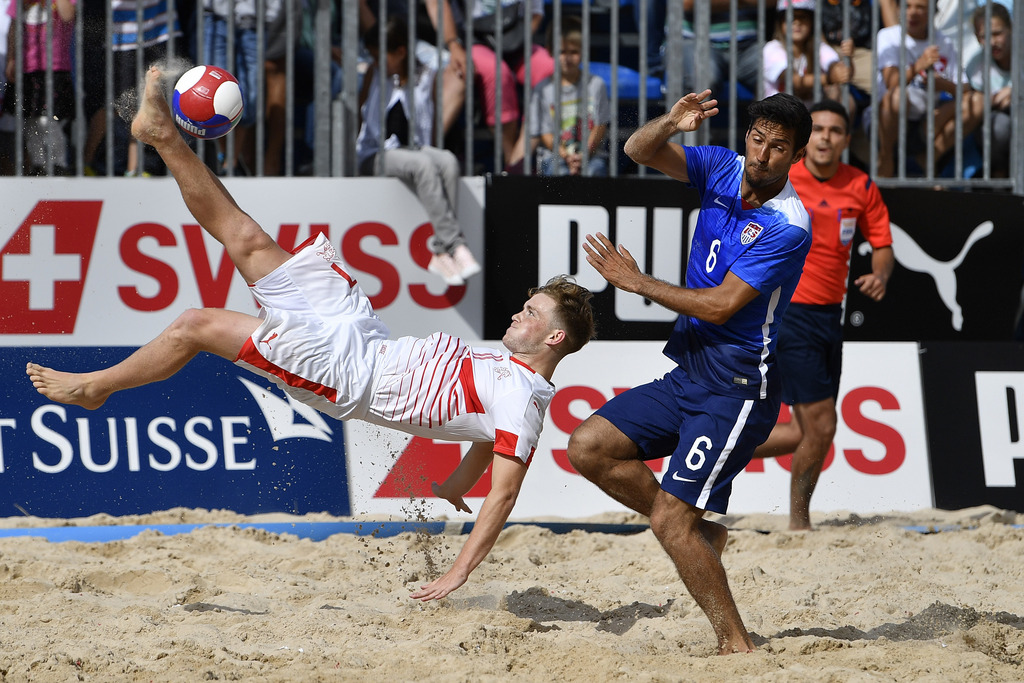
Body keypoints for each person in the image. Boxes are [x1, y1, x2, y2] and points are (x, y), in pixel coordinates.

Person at [26, 65, 595, 601]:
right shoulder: (506, 380)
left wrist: (456, 573)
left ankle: (95, 387)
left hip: (342, 373)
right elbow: (480, 438)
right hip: (362, 332)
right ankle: (162, 135)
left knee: (196, 324)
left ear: (554, 341)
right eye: (526, 304)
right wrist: (452, 485)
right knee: (246, 237)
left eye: (533, 314)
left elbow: (505, 494)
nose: (519, 314)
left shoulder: (523, 398)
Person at [567, 91, 813, 654]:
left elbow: (722, 305)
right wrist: (672, 124)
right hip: (691, 373)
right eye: (758, 138)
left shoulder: (789, 224)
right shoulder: (724, 166)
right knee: (589, 447)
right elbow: (637, 149)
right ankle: (701, 535)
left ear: (796, 156)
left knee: (668, 525)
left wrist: (637, 282)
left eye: (779, 147)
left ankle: (736, 643)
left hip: (738, 389)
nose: (762, 154)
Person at [752, 99, 894, 530]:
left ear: (846, 140)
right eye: (820, 129)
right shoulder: (782, 179)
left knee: (802, 432)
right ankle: (799, 525)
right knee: (823, 425)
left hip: (830, 317)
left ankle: (713, 441)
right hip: (789, 313)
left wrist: (880, 275)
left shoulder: (861, 185)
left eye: (836, 130)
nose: (827, 137)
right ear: (805, 140)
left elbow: (883, 247)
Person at [356, 16, 481, 286]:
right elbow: (365, 120)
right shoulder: (374, 74)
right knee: (422, 165)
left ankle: (439, 251)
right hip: (375, 154)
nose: (377, 62)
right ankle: (455, 245)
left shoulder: (425, 75)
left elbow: (426, 124)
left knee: (447, 161)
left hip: (413, 149)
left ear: (400, 52)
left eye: (382, 56)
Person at [874, 0, 984, 177]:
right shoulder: (888, 36)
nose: (912, 12)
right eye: (907, 6)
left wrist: (943, 85)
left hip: (926, 123)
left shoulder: (943, 42)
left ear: (932, 11)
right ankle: (885, 159)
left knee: (979, 101)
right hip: (886, 121)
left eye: (920, 7)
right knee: (897, 96)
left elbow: (965, 89)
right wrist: (918, 65)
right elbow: (891, 83)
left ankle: (929, 159)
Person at [81, 0, 182, 177]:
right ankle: (86, 163)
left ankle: (135, 169)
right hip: (123, 35)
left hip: (161, 30)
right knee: (116, 106)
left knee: (151, 105)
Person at [462, 0, 555, 172]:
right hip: (476, 41)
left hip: (516, 40)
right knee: (498, 74)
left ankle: (519, 158)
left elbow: (536, 14)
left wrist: (513, 41)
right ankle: (511, 161)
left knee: (552, 70)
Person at [529, 16, 611, 177]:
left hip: (592, 156)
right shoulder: (543, 89)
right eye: (562, 52)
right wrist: (566, 156)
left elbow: (600, 126)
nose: (567, 58)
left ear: (583, 51)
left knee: (595, 171)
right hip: (554, 156)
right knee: (557, 171)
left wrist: (583, 156)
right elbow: (546, 134)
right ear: (550, 51)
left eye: (573, 52)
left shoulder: (596, 85)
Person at [4, 0, 76, 176]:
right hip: (27, 66)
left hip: (54, 67)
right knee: (29, 118)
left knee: (48, 119)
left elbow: (68, 16)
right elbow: (13, 27)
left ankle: (58, 162)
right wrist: (12, 58)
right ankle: (38, 163)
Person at [763, 0, 854, 108]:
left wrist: (848, 60)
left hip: (809, 116)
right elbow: (794, 81)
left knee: (847, 100)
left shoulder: (819, 47)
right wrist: (829, 78)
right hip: (778, 114)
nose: (797, 22)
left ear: (812, 22)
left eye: (803, 17)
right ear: (781, 22)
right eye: (790, 17)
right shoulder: (772, 48)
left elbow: (835, 68)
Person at [965, 2, 1012, 178]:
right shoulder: (975, 66)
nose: (992, 42)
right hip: (996, 123)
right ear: (977, 38)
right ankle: (1000, 176)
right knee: (998, 126)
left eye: (998, 34)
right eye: (985, 36)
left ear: (1011, 29)